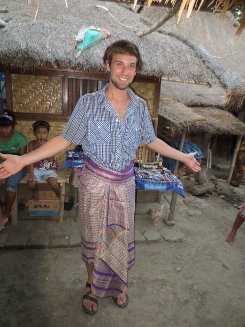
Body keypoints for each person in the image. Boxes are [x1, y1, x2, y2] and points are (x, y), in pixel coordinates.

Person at [0, 40, 201, 314]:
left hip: (125, 184)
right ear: (108, 65)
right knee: (94, 237)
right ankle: (92, 285)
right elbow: (65, 139)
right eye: (119, 63)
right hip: (94, 183)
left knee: (120, 237)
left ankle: (119, 284)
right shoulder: (89, 104)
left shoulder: (140, 107)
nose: (125, 71)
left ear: (136, 70)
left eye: (131, 66)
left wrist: (183, 156)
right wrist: (23, 159)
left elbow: (151, 140)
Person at [0, 110, 28, 230]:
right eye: (1, 127)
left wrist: (6, 174)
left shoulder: (20, 139)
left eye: (7, 127)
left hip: (18, 166)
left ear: (13, 126)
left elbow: (21, 161)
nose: (3, 130)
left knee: (11, 185)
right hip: (1, 167)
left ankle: (5, 215)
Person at [27, 120, 60, 200]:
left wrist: (43, 147)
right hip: (36, 168)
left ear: (47, 133)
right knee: (30, 184)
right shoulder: (31, 144)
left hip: (49, 168)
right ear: (34, 133)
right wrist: (31, 174)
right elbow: (30, 160)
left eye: (44, 133)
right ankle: (35, 191)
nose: (41, 135)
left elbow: (51, 159)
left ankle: (59, 195)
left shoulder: (50, 143)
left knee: (54, 183)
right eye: (39, 133)